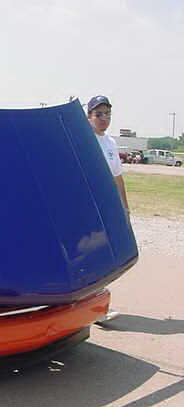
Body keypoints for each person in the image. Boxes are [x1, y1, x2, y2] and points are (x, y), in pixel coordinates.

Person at [87, 96, 129, 325]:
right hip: (87, 207)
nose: (104, 118)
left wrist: (124, 206)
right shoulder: (84, 140)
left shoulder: (110, 143)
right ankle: (93, 309)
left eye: (107, 114)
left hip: (106, 207)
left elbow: (117, 177)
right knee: (90, 254)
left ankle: (96, 308)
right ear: (89, 117)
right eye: (99, 114)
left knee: (103, 256)